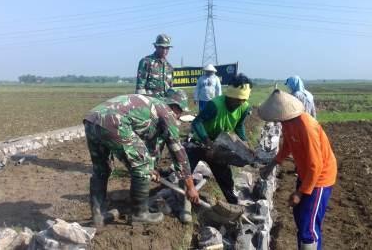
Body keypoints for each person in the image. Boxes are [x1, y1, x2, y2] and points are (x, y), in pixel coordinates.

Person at [83, 89, 199, 226]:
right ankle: (140, 214)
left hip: (91, 120)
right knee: (142, 167)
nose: (179, 116)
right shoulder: (167, 112)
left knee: (101, 169)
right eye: (180, 112)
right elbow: (178, 153)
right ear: (175, 107)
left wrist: (153, 169)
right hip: (115, 121)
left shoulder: (151, 109)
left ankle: (98, 215)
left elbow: (148, 146)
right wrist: (191, 187)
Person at [258, 89, 337, 250]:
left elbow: (316, 166)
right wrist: (273, 163)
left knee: (308, 226)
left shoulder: (307, 127)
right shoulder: (288, 123)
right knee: (301, 218)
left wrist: (300, 193)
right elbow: (288, 145)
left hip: (320, 179)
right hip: (305, 173)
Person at [186, 73, 253, 204]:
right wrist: (207, 143)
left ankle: (233, 205)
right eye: (238, 99)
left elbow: (239, 126)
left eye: (243, 100)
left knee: (225, 179)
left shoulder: (244, 107)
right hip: (200, 142)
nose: (240, 103)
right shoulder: (215, 105)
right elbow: (196, 123)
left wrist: (245, 144)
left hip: (219, 146)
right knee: (185, 172)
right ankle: (183, 202)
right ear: (230, 96)